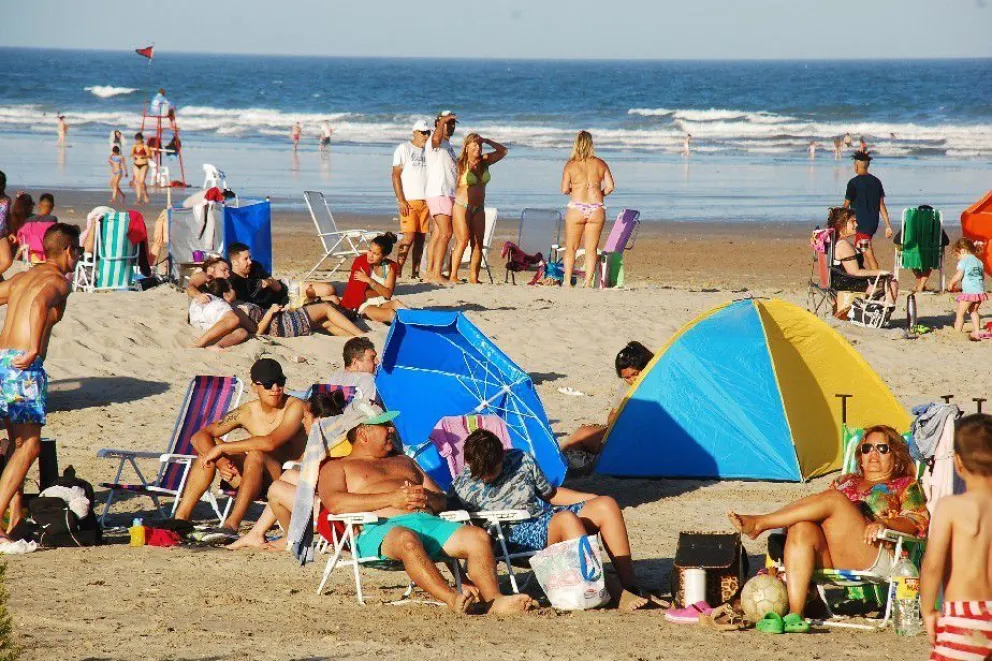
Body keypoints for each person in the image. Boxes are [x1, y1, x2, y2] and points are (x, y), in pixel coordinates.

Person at [317, 406, 535, 614]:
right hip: (379, 530)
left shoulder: (405, 461)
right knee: (407, 539)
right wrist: (392, 498)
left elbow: (442, 499)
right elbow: (335, 503)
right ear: (364, 433)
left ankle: (494, 600)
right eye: (385, 425)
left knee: (477, 537)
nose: (392, 429)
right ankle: (452, 598)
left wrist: (426, 498)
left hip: (426, 522)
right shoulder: (337, 467)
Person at [728, 425, 929, 626]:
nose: (873, 454)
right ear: (860, 456)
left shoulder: (905, 485)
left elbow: (916, 521)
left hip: (872, 552)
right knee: (801, 527)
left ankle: (761, 523)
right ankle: (795, 615)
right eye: (867, 449)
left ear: (895, 457)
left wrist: (884, 522)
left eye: (882, 448)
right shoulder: (843, 481)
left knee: (833, 500)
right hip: (830, 555)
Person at [453, 429, 652, 611]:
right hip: (510, 538)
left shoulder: (521, 459)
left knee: (606, 505)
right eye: (479, 473)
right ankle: (613, 590)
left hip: (540, 520)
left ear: (502, 456)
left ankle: (631, 586)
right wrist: (460, 577)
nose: (486, 478)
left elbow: (550, 494)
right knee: (565, 519)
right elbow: (447, 524)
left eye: (491, 470)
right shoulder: (462, 486)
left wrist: (591, 498)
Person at [0, 223, 79, 538]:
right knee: (31, 446)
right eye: (78, 252)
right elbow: (38, 304)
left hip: (3, 360)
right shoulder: (58, 281)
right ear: (69, 251)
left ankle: (14, 519)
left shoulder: (22, 277)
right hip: (23, 366)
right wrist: (34, 346)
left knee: (17, 444)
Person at [175, 359, 307, 538]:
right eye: (268, 384)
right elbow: (199, 436)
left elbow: (271, 442)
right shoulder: (248, 411)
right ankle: (181, 520)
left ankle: (231, 525)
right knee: (205, 457)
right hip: (253, 478)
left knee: (255, 453)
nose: (276, 388)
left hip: (286, 479)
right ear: (254, 387)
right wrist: (221, 461)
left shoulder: (295, 406)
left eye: (280, 382)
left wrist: (222, 448)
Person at [227, 389, 348, 550]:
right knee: (289, 475)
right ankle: (256, 533)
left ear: (317, 419)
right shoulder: (335, 437)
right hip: (331, 503)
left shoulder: (324, 443)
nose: (303, 422)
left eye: (305, 417)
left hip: (332, 512)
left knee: (277, 489)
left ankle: (291, 538)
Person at [920, 414, 992, 659]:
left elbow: (932, 565)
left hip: (965, 614)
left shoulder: (951, 507)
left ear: (958, 463)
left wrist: (928, 610)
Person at [227, 244, 359, 337]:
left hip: (287, 288)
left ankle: (319, 300)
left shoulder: (255, 266)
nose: (250, 261)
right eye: (246, 259)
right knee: (334, 301)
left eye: (250, 257)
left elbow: (278, 287)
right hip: (284, 305)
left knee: (329, 288)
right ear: (235, 262)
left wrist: (269, 282)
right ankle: (320, 302)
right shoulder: (235, 283)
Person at [559, 341, 654, 460]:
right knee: (581, 434)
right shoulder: (626, 386)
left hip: (643, 438)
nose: (631, 380)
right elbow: (612, 416)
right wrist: (620, 417)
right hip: (620, 433)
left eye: (634, 374)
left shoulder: (655, 384)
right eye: (627, 377)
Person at [449, 133, 507, 284]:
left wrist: (487, 140)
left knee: (478, 243)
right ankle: (453, 275)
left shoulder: (485, 162)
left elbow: (503, 151)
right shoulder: (460, 164)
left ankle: (473, 277)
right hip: (462, 206)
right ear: (466, 147)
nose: (478, 148)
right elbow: (449, 184)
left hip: (479, 208)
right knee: (462, 241)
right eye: (474, 145)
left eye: (479, 145)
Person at [561, 131, 615, 288]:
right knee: (591, 249)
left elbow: (564, 189)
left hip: (577, 208)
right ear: (591, 144)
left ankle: (567, 282)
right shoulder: (600, 163)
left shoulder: (570, 165)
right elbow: (610, 187)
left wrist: (576, 190)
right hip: (596, 208)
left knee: (571, 248)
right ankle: (588, 283)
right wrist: (600, 194)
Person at [827, 207, 899, 306]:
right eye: (853, 221)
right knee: (892, 283)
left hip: (843, 281)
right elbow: (854, 272)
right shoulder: (843, 245)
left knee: (887, 281)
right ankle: (884, 312)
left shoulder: (837, 242)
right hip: (849, 284)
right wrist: (880, 272)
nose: (856, 224)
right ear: (842, 224)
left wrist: (860, 250)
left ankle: (880, 310)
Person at [391, 120, 431, 278]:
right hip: (410, 201)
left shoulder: (429, 151)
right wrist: (401, 200)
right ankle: (398, 271)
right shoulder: (404, 148)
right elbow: (395, 175)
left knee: (421, 239)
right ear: (415, 132)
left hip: (427, 201)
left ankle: (415, 272)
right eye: (423, 132)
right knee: (408, 237)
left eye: (427, 132)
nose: (425, 135)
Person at [339, 233, 407, 324]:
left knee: (397, 304)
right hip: (364, 305)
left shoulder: (388, 267)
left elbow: (388, 294)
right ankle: (411, 328)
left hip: (382, 302)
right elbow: (362, 293)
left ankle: (420, 322)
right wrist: (380, 290)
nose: (370, 255)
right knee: (391, 314)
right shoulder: (360, 263)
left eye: (375, 253)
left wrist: (369, 280)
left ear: (384, 256)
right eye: (370, 250)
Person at [424, 110, 459, 283]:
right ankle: (436, 273)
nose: (450, 126)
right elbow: (436, 139)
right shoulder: (434, 140)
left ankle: (431, 272)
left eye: (452, 123)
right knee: (446, 233)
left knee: (438, 234)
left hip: (447, 193)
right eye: (447, 123)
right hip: (439, 192)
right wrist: (442, 121)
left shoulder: (448, 145)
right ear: (438, 123)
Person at [843, 150, 891, 270]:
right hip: (872, 224)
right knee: (859, 250)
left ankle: (877, 278)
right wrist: (887, 225)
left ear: (857, 166)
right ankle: (862, 273)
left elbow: (846, 205)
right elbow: (881, 205)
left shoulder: (853, 183)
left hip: (860, 224)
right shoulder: (876, 182)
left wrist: (839, 219)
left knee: (867, 253)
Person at [188, 278, 256, 351]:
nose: (234, 291)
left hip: (196, 319)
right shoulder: (221, 304)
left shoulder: (205, 297)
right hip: (209, 306)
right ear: (226, 294)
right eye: (231, 289)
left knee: (242, 332)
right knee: (233, 320)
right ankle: (199, 343)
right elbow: (251, 327)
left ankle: (218, 345)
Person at [946, 237, 987, 335]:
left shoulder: (964, 261)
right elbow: (982, 276)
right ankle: (977, 330)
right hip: (979, 292)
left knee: (960, 313)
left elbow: (959, 274)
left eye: (957, 255)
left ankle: (957, 331)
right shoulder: (979, 262)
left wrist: (951, 282)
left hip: (969, 292)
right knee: (974, 311)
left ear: (963, 251)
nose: (958, 258)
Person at [325, 336, 378, 400]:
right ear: (355, 363)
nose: (377, 361)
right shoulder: (369, 380)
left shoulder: (335, 376)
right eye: (372, 358)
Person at [130, 132, 152, 204]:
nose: (137, 141)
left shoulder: (145, 146)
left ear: (141, 139)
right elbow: (131, 154)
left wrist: (143, 156)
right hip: (136, 164)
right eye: (136, 140)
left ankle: (145, 194)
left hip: (144, 164)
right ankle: (139, 198)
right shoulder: (134, 146)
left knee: (142, 181)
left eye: (138, 140)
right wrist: (134, 156)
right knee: (138, 182)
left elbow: (149, 155)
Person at [0, 172, 13, 279]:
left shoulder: (7, 199)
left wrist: (11, 232)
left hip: (2, 234)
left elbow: (8, 216)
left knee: (7, 261)